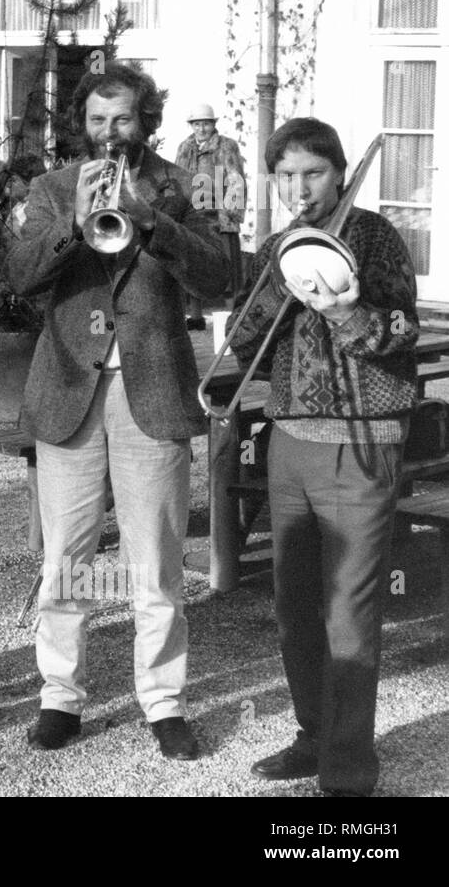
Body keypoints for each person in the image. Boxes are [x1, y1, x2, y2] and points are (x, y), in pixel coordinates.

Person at [7, 62, 229, 760]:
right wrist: (72, 227)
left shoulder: (178, 186)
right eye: (98, 121)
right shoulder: (50, 188)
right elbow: (18, 279)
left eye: (123, 119)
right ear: (84, 124)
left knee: (156, 559)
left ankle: (163, 701)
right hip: (69, 387)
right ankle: (59, 698)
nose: (110, 132)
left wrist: (151, 221)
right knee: (65, 558)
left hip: (153, 389)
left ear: (146, 121)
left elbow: (223, 275)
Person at [231, 118, 418, 797]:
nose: (298, 187)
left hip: (361, 441)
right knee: (294, 605)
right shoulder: (279, 244)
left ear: (338, 172)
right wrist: (279, 283)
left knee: (348, 612)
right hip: (291, 444)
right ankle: (314, 735)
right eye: (285, 176)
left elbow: (404, 329)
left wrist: (346, 312)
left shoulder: (372, 235)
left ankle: (347, 770)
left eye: (312, 173)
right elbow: (245, 342)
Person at [175, 102, 248, 310]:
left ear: (213, 125)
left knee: (227, 266)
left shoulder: (226, 146)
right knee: (194, 265)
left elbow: (236, 180)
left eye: (205, 124)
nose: (201, 129)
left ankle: (232, 312)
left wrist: (228, 213)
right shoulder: (185, 148)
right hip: (193, 215)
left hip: (220, 215)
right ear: (192, 126)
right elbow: (178, 179)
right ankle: (195, 316)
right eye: (197, 124)